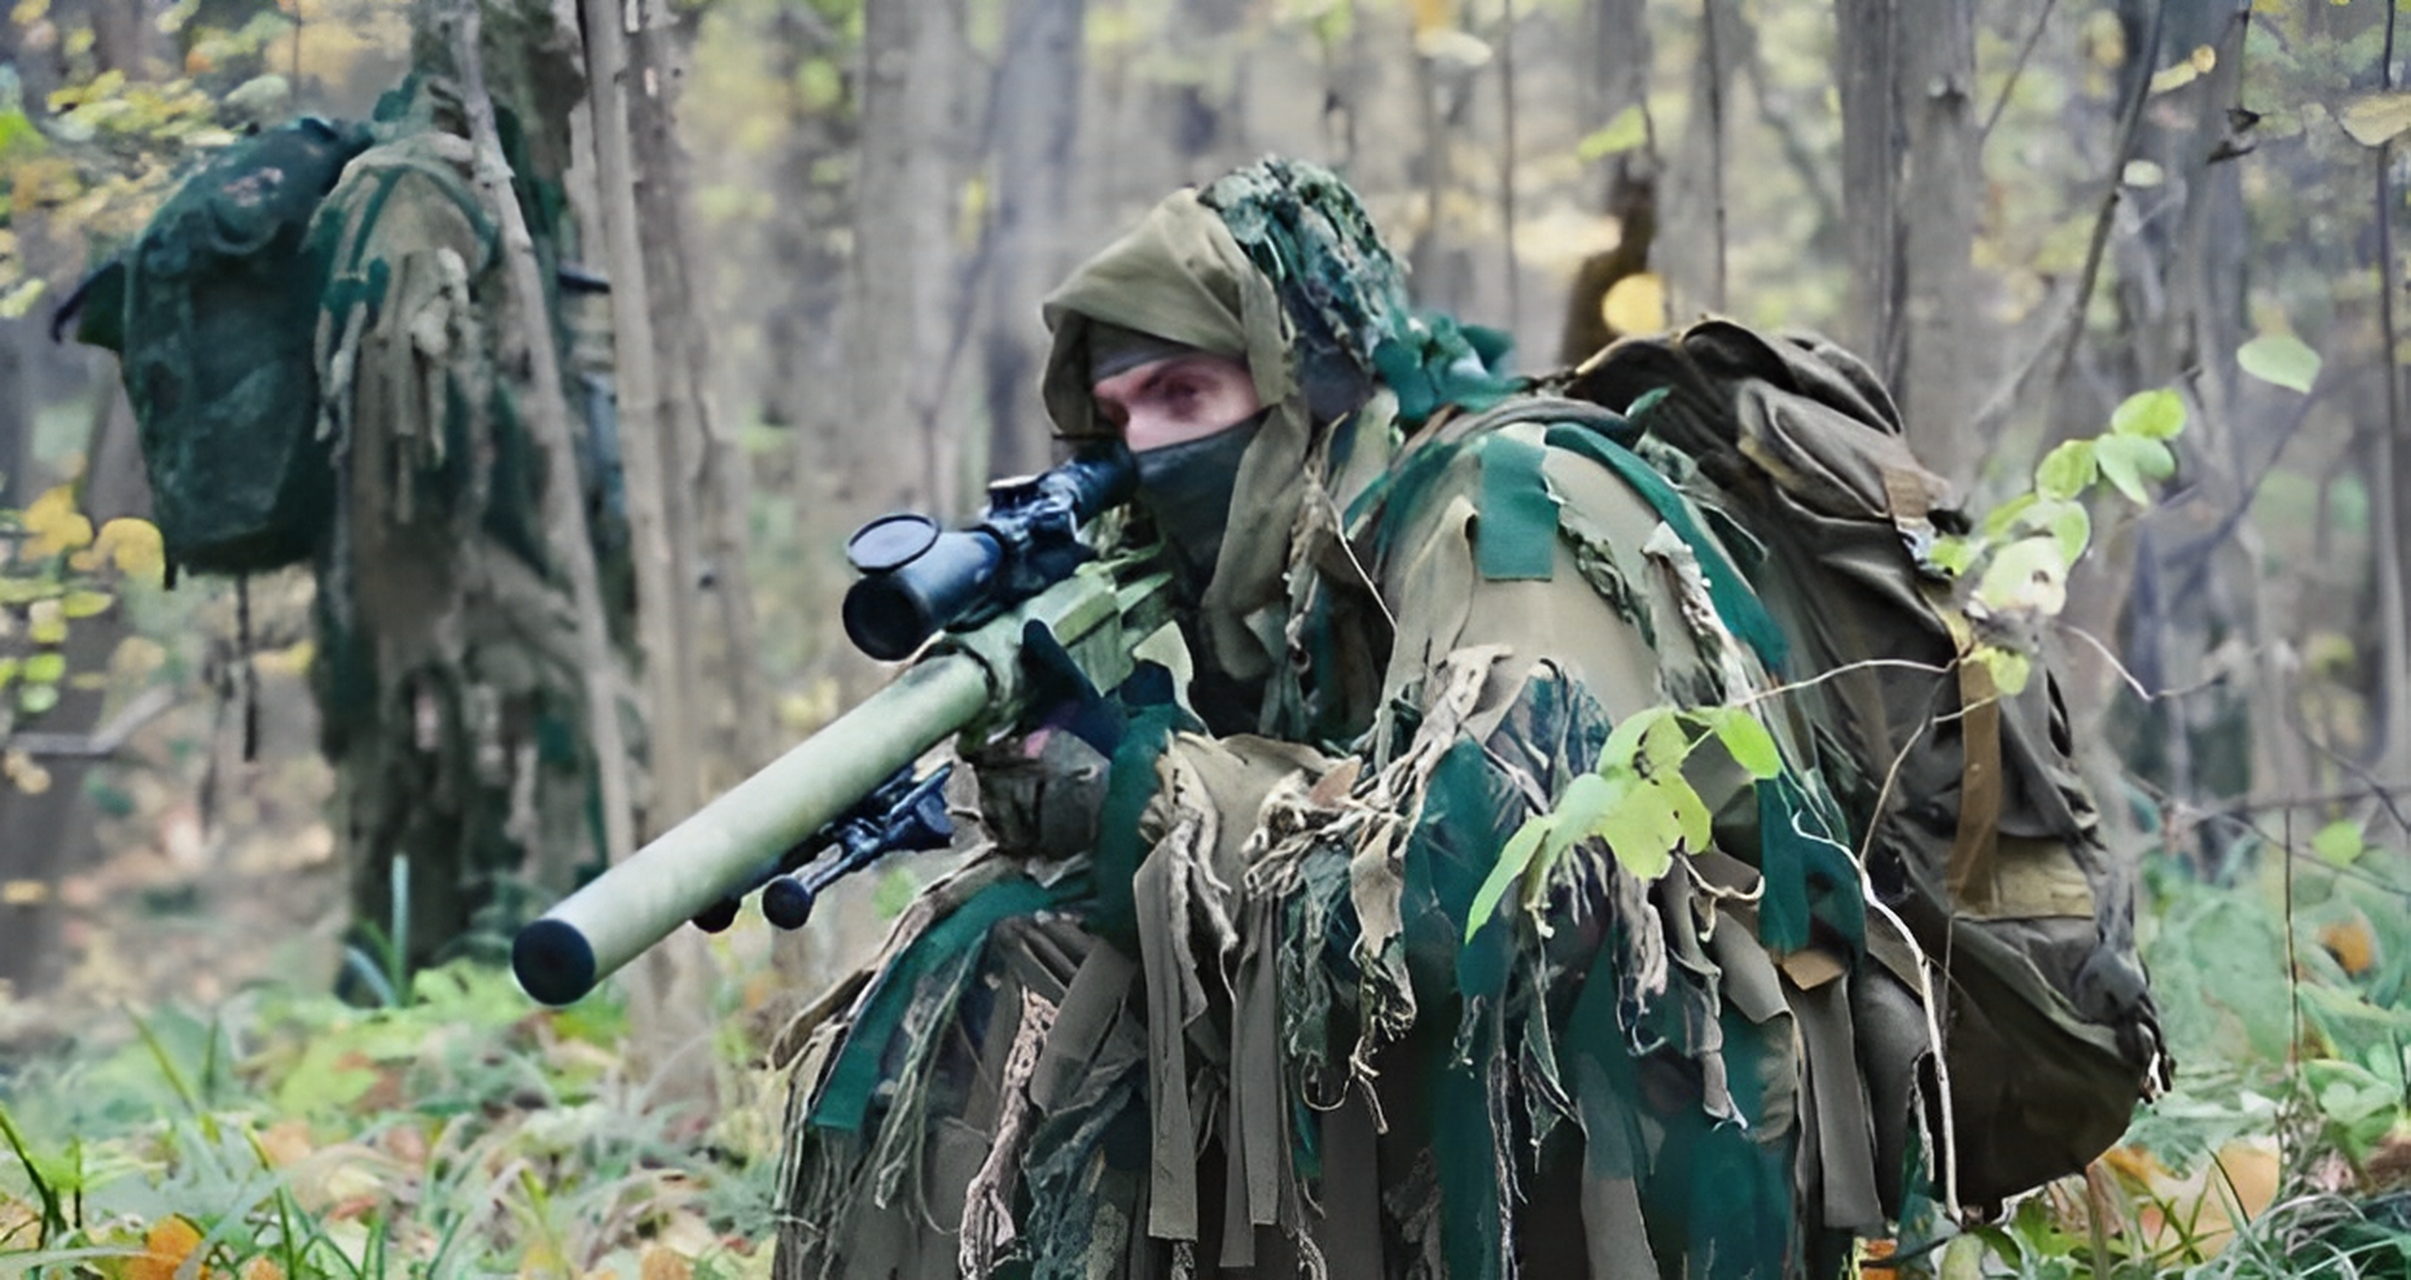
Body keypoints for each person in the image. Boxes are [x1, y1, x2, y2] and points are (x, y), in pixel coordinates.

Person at [772, 158, 1956, 1280]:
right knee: (1008, 929)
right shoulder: (1314, 583)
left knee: (1036, 947)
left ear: (1311, 390)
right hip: (1506, 1109)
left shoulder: (1504, 508)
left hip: (1667, 1141)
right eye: (1116, 416)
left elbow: (1478, 885)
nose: (1144, 453)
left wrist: (1145, 792)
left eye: (1186, 394)